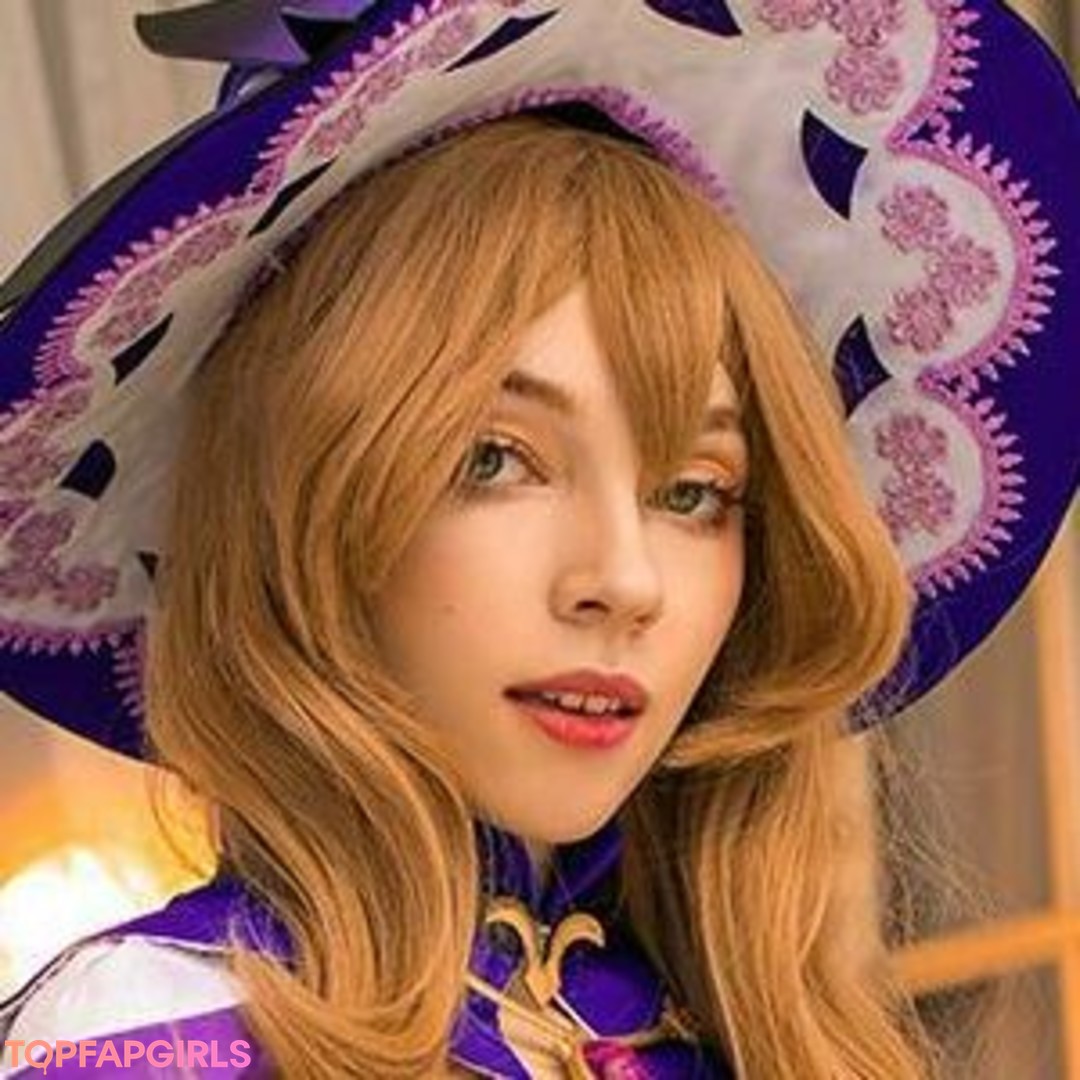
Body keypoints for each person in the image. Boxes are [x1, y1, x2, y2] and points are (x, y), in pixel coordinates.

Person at [0, 2, 1077, 1078]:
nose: (625, 580)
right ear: (304, 506)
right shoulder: (151, 1039)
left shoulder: (745, 1036)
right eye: (493, 460)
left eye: (695, 491)